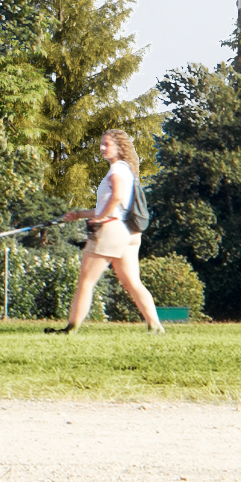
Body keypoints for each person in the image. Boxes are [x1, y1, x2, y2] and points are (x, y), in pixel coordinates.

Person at [61, 124, 165, 334]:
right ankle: (156, 326)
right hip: (127, 233)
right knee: (132, 282)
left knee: (86, 280)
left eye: (106, 144)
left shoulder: (117, 169)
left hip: (110, 231)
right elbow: (113, 204)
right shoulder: (125, 169)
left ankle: (71, 328)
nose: (102, 147)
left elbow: (115, 198)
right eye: (101, 143)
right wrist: (80, 215)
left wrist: (99, 218)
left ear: (119, 148)